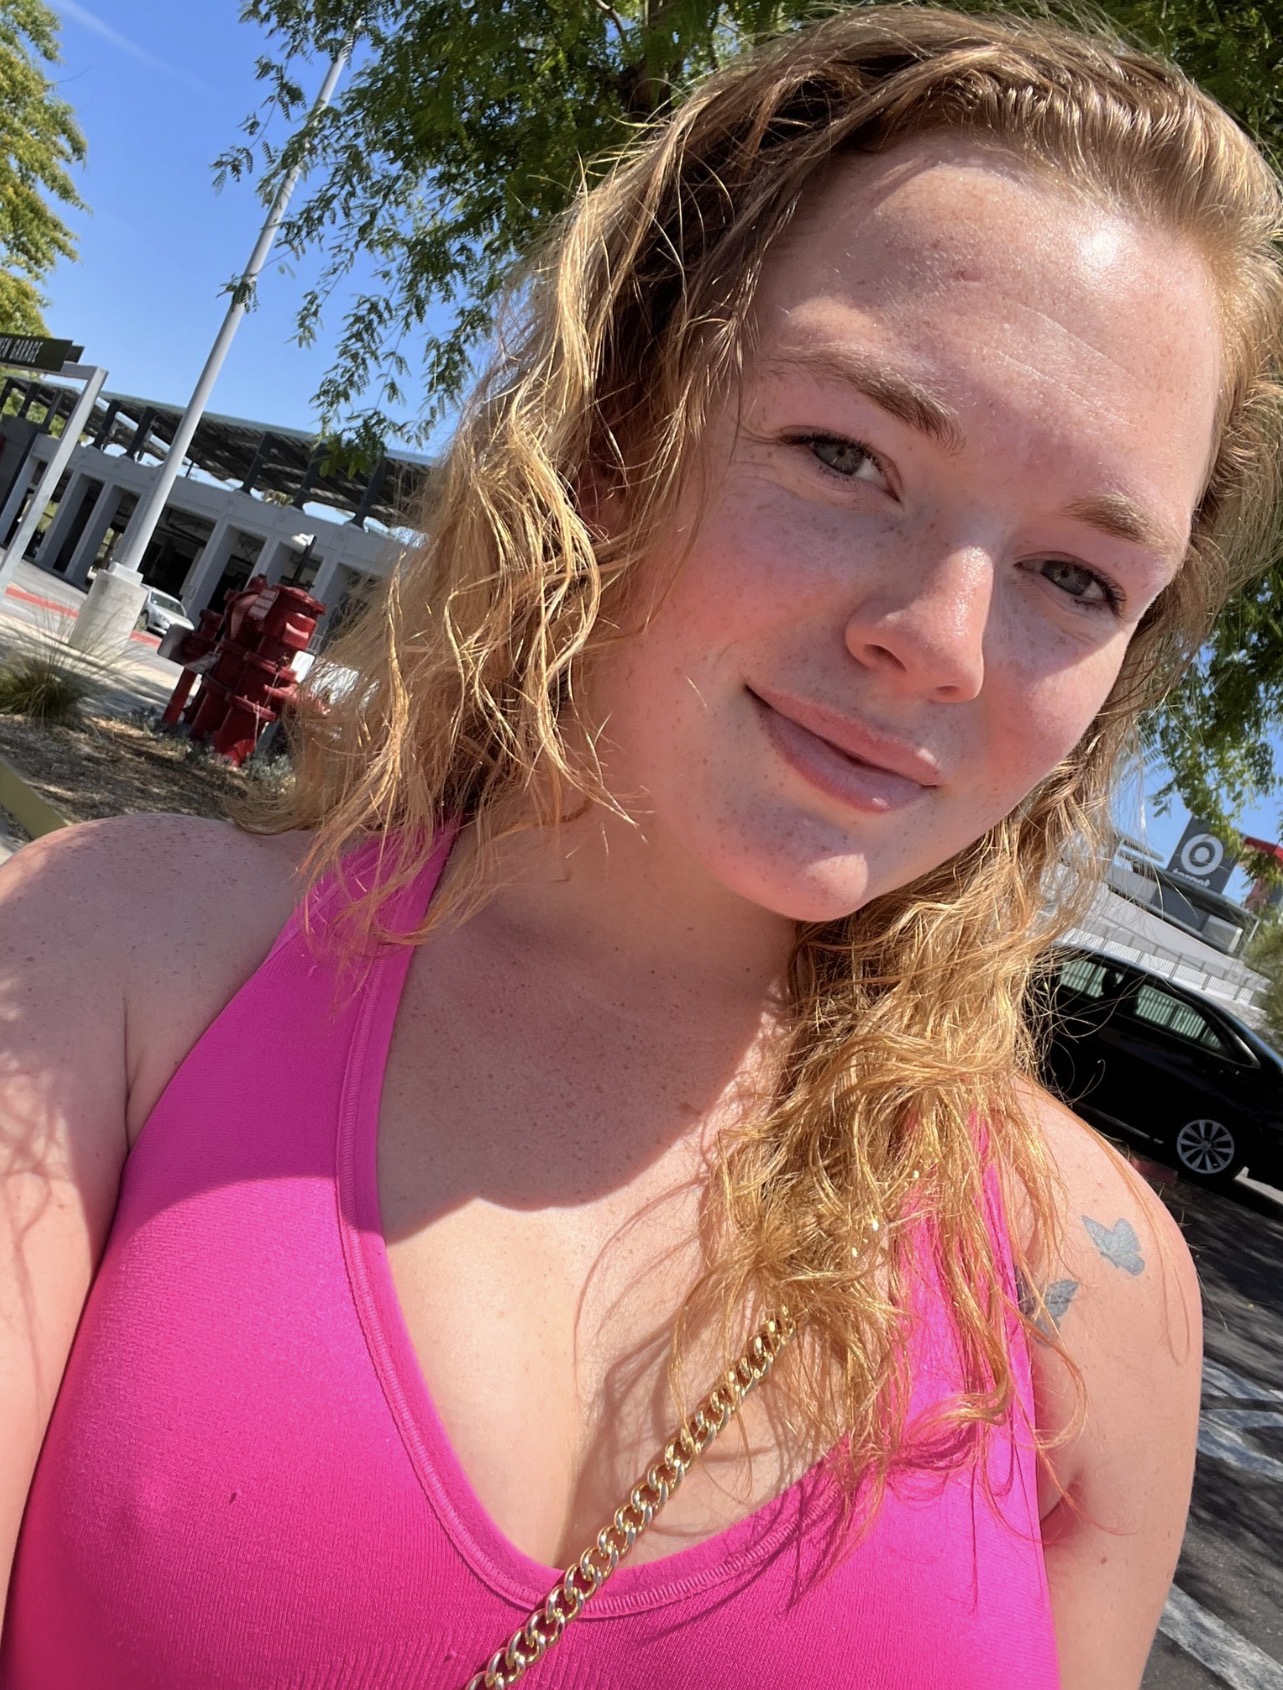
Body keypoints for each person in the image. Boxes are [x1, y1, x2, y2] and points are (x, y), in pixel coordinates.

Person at [2, 7, 1280, 1686]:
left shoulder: (1093, 1294)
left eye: (1078, 577)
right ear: (616, 434)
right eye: (847, 453)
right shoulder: (111, 967)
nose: (944, 642)